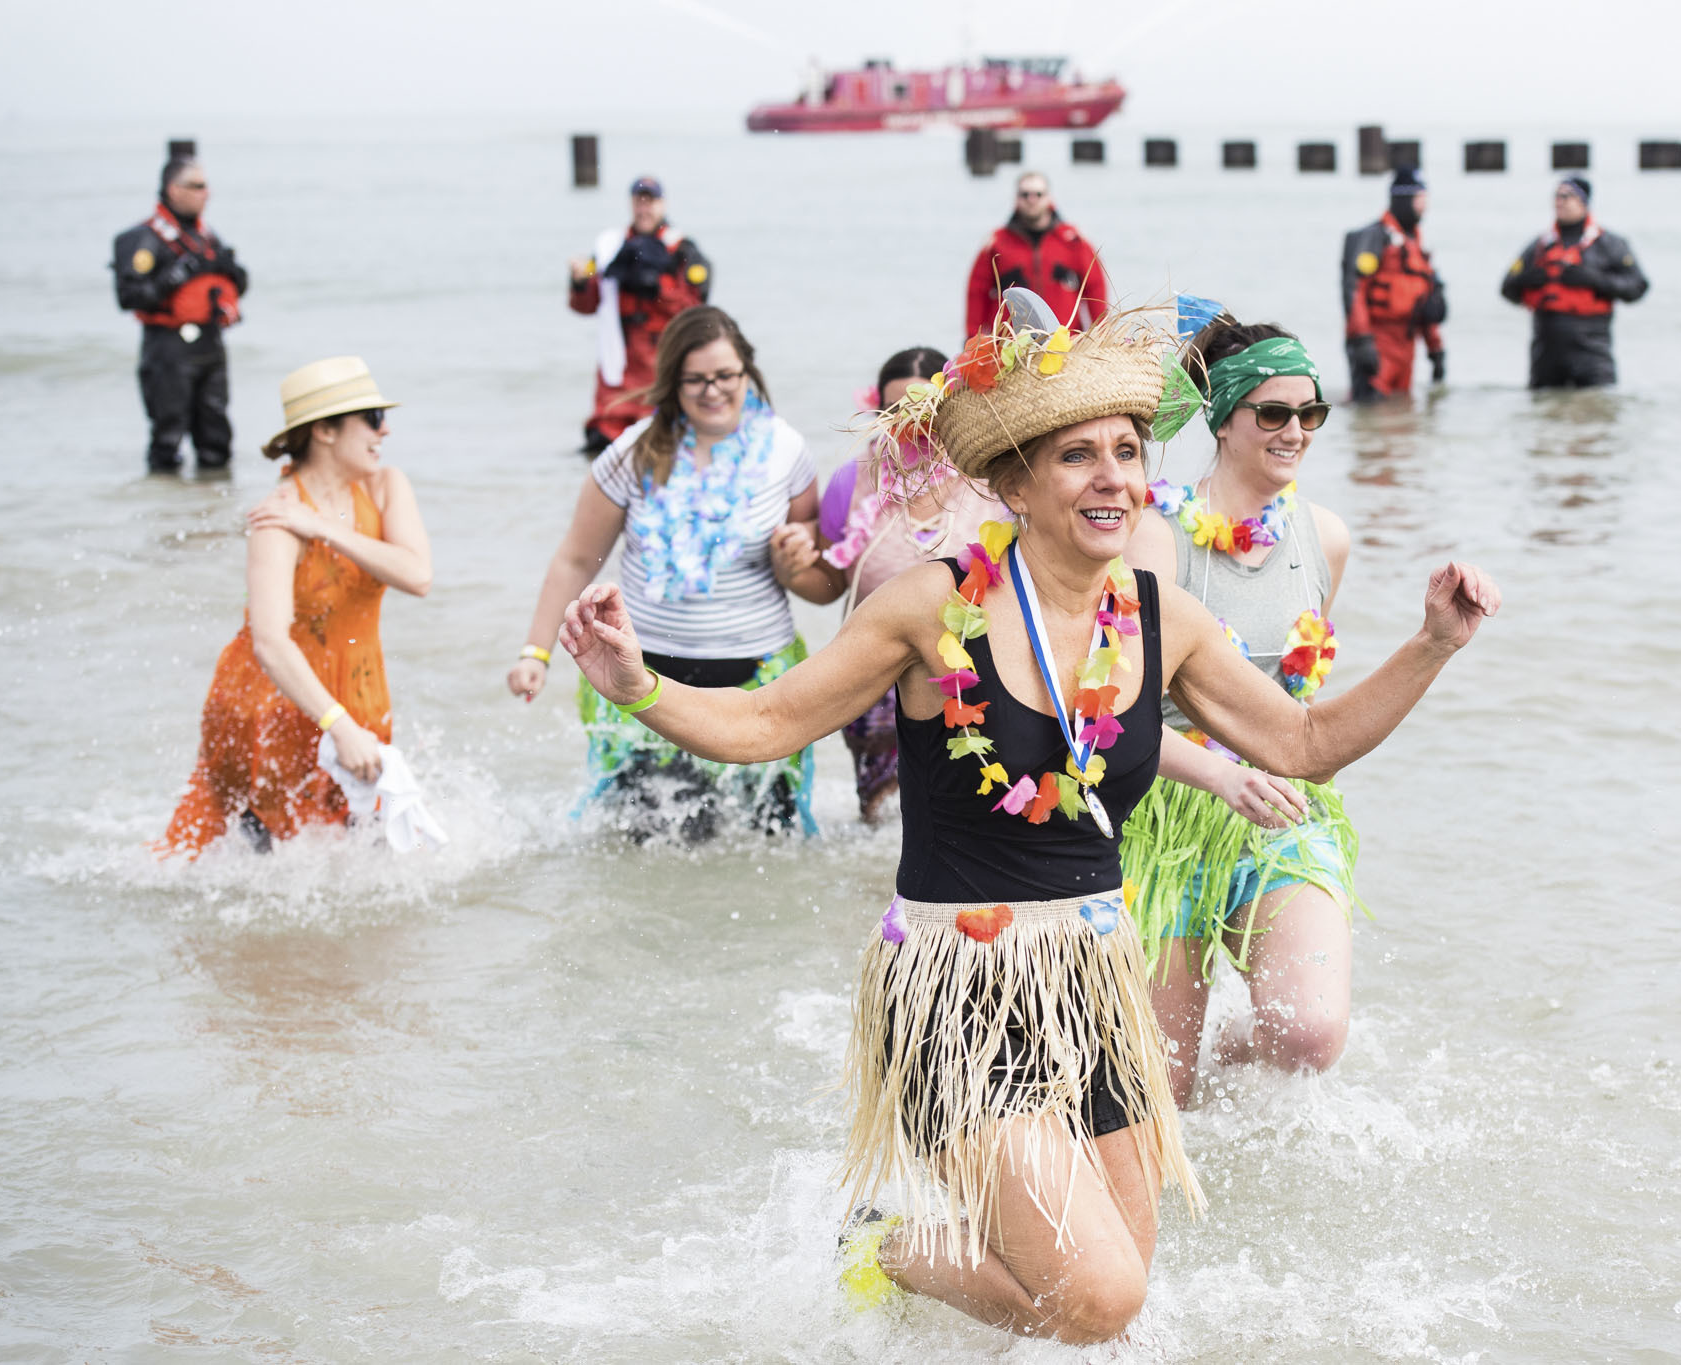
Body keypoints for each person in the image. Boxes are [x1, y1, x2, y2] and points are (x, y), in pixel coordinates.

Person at [554, 290, 1499, 1342]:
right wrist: (635, 682)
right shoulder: (929, 606)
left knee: (1111, 1293)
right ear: (1014, 479)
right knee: (1099, 1300)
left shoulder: (1161, 619)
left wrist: (1430, 645)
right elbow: (769, 721)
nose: (1113, 477)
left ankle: (949, 1252)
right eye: (1077, 456)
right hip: (959, 985)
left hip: (1094, 976)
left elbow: (1305, 745)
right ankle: (887, 1244)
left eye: (1129, 452)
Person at [1122, 313, 1360, 1106]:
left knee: (1308, 1035)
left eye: (1311, 412)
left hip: (1282, 806)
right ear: (1223, 418)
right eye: (1273, 412)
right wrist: (1218, 780)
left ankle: (1238, 1036)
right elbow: (1113, 715)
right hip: (1166, 815)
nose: (1296, 430)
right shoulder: (1157, 539)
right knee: (1166, 1091)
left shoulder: (1323, 538)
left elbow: (1299, 707)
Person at [509, 305, 835, 838]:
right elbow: (575, 558)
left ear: (747, 372)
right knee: (648, 859)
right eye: (696, 379)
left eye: (725, 375)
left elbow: (821, 583)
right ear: (672, 383)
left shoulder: (786, 451)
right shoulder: (633, 453)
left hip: (759, 687)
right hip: (649, 680)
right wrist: (535, 653)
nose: (713, 390)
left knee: (768, 852)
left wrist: (794, 563)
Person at [158, 358, 430, 857]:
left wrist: (324, 528)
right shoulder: (275, 519)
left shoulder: (385, 485)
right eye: (371, 417)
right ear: (325, 430)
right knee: (265, 874)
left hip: (358, 696)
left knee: (362, 862)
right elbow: (269, 641)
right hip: (272, 708)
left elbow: (418, 576)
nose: (385, 429)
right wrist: (339, 725)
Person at [772, 346, 1011, 823]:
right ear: (879, 412)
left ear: (952, 406)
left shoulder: (992, 476)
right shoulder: (853, 480)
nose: (915, 422)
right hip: (876, 680)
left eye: (928, 407)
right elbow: (830, 586)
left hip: (978, 674)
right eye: (900, 409)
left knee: (977, 814)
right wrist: (790, 570)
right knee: (884, 821)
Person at [111, 156, 248, 473]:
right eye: (198, 186)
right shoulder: (143, 239)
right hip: (168, 347)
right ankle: (166, 513)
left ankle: (214, 509)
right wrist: (173, 277)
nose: (206, 193)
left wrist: (234, 273)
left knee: (217, 438)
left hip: (210, 345)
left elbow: (235, 286)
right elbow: (128, 297)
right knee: (167, 437)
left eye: (206, 186)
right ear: (174, 189)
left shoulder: (208, 237)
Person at [569, 176, 712, 455]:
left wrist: (657, 286)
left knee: (660, 445)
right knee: (602, 444)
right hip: (618, 363)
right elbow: (586, 301)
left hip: (661, 360)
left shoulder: (682, 249)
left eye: (651, 201)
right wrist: (578, 280)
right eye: (639, 201)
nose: (644, 208)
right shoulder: (608, 247)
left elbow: (694, 307)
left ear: (663, 204)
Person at [1500, 175, 1648, 389]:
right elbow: (1506, 288)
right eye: (1556, 196)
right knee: (1544, 410)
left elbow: (1637, 287)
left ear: (1583, 202)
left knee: (1596, 409)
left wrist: (1596, 280)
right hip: (1546, 351)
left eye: (1566, 196)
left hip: (1592, 349)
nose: (1559, 201)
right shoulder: (1540, 245)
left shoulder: (1610, 244)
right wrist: (1525, 280)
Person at [963, 171, 1110, 343]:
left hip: (1065, 344)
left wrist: (1102, 335)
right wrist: (972, 340)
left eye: (1038, 194)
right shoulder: (995, 244)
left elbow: (1095, 288)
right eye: (1025, 195)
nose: (1031, 200)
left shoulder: (1073, 241)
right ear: (1016, 199)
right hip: (1010, 347)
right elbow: (977, 292)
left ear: (1049, 198)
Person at [1343, 166, 1446, 401]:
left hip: (1407, 345)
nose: (1424, 207)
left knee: (1402, 416)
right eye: (1420, 199)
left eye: (1425, 200)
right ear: (1404, 199)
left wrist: (1436, 348)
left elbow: (1424, 302)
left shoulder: (1417, 247)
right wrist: (1362, 340)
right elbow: (1354, 289)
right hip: (1378, 342)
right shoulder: (1375, 237)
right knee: (1370, 412)